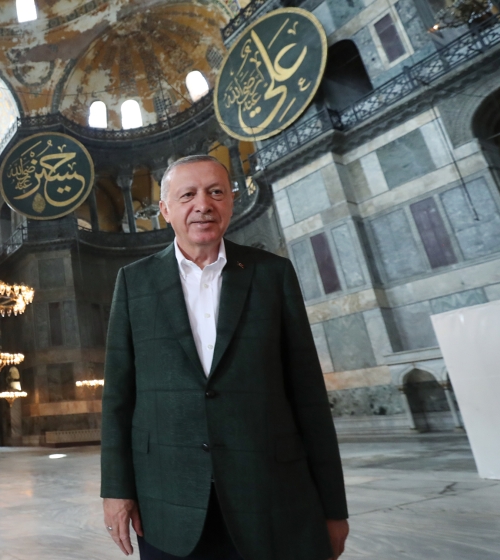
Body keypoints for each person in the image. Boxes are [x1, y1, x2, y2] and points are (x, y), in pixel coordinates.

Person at [100, 155, 349, 560]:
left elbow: (308, 397)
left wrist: (334, 508)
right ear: (165, 210)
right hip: (167, 501)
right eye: (188, 195)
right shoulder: (133, 282)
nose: (203, 204)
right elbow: (118, 399)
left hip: (271, 497)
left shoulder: (273, 274)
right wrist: (115, 490)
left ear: (231, 202)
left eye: (216, 192)